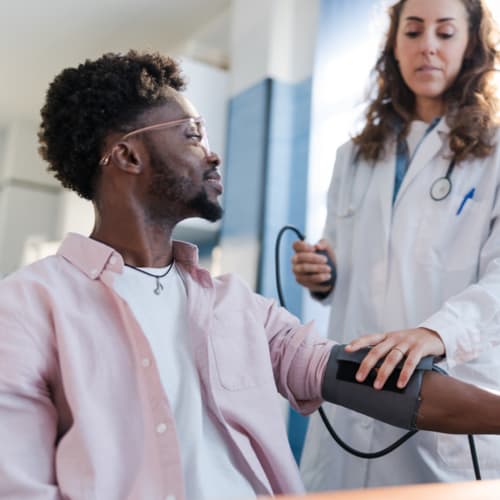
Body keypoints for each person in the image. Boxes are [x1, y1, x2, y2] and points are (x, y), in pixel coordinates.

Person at [1, 51, 500, 500]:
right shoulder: (26, 309)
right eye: (193, 135)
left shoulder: (239, 308)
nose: (212, 153)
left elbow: (364, 377)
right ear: (128, 156)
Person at [293, 0, 500, 491]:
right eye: (413, 31)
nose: (427, 45)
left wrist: (437, 332)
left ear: (471, 45)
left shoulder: (494, 152)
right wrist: (323, 273)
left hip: (446, 397)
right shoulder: (353, 156)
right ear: (394, 45)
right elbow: (344, 255)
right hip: (352, 400)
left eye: (446, 32)